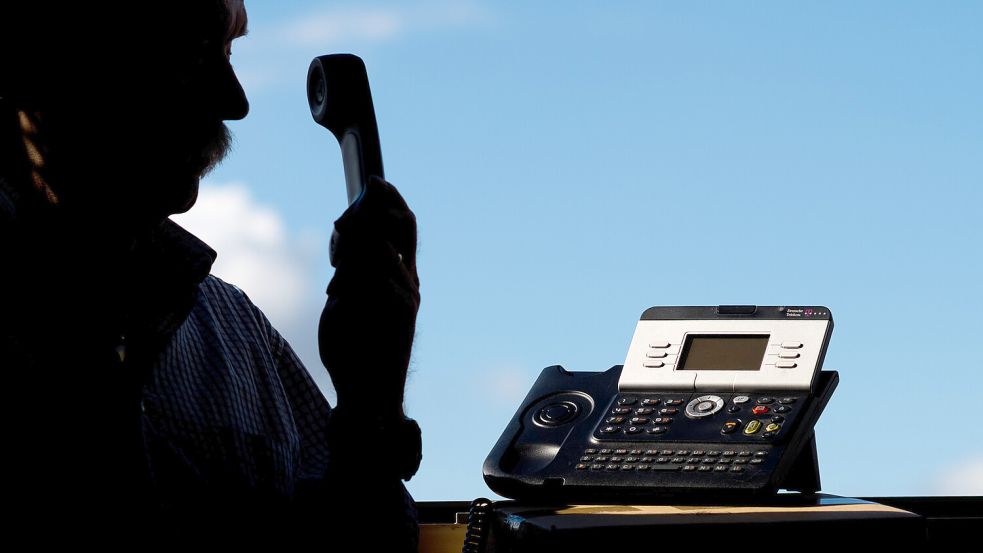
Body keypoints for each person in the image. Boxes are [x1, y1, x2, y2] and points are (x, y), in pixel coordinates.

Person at [0, 1, 421, 549]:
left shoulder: (239, 335)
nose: (235, 100)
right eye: (191, 51)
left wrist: (370, 405)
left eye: (228, 50)